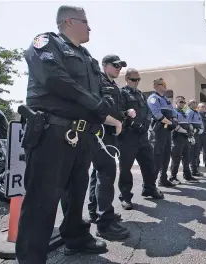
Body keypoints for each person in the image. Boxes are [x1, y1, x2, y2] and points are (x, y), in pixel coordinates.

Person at [16, 5, 122, 263]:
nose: (90, 28)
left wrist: (105, 103)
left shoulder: (87, 57)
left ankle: (76, 238)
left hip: (83, 135)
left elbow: (104, 90)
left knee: (76, 192)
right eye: (86, 22)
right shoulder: (45, 42)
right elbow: (55, 78)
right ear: (70, 22)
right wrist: (96, 105)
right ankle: (32, 258)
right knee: (43, 199)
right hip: (53, 132)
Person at [87, 54, 130, 240]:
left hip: (110, 133)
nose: (119, 68)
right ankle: (105, 224)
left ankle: (96, 213)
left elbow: (113, 109)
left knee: (98, 174)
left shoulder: (113, 86)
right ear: (105, 65)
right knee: (106, 175)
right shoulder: (98, 81)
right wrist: (116, 122)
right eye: (115, 65)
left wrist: (125, 113)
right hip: (101, 132)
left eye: (121, 66)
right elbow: (97, 108)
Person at [118, 69, 164, 210]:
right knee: (125, 167)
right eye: (133, 80)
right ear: (126, 78)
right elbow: (119, 112)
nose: (136, 82)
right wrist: (130, 124)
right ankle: (125, 197)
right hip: (128, 136)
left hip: (142, 136)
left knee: (149, 163)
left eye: (138, 80)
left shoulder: (140, 94)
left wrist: (146, 124)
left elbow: (148, 113)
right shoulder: (121, 93)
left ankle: (149, 188)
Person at [148, 78, 178, 187]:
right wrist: (170, 123)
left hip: (167, 131)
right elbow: (157, 115)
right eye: (163, 84)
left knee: (166, 157)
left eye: (165, 83)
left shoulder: (166, 99)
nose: (165, 86)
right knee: (156, 158)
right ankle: (150, 185)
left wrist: (174, 121)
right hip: (158, 131)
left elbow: (174, 112)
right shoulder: (153, 98)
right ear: (156, 86)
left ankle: (163, 179)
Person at [170, 96, 199, 183]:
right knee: (176, 158)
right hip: (177, 137)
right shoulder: (174, 112)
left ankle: (187, 176)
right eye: (180, 102)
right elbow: (174, 125)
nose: (182, 103)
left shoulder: (183, 112)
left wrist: (190, 131)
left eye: (183, 102)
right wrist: (185, 131)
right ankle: (173, 177)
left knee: (187, 158)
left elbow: (188, 123)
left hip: (185, 138)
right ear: (176, 103)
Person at [186, 100, 205, 176]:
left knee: (196, 153)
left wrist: (201, 130)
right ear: (189, 104)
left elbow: (201, 123)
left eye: (196, 102)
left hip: (198, 135)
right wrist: (191, 133)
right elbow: (188, 123)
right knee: (192, 153)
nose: (195, 103)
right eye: (193, 102)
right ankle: (191, 171)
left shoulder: (196, 112)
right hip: (192, 135)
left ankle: (194, 170)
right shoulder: (189, 112)